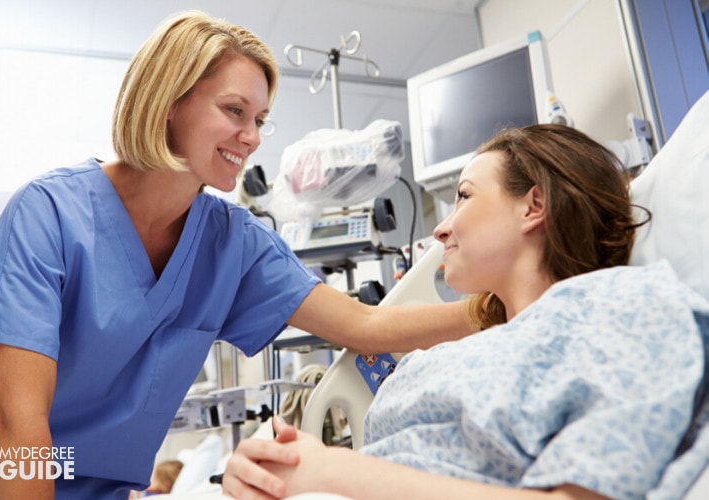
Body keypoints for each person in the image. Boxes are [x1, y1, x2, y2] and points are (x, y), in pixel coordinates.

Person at [0, 10, 472, 500]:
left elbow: (364, 327)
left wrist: (504, 305)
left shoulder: (233, 243)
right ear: (169, 102)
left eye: (260, 119)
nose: (252, 137)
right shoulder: (49, 214)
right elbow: (19, 425)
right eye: (235, 111)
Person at [221, 124, 709, 499]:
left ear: (533, 206)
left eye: (464, 196)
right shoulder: (444, 358)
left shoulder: (623, 307)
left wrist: (328, 470)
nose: (440, 229)